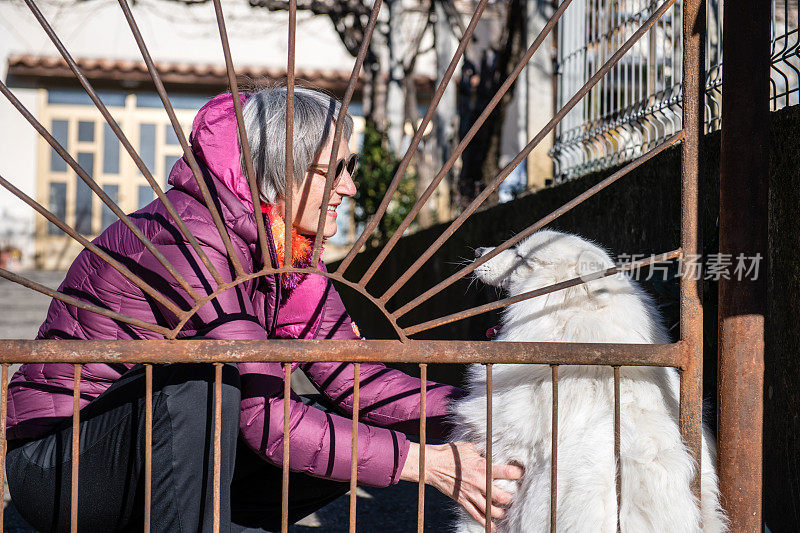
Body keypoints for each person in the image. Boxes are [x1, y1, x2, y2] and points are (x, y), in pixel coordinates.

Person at [5, 87, 522, 532]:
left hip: (148, 466)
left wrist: (486, 409)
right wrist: (420, 464)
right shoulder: (191, 236)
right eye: (332, 170)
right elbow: (263, 417)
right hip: (61, 469)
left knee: (335, 424)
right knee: (203, 379)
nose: (349, 187)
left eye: (350, 167)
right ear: (282, 172)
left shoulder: (288, 255)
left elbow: (356, 378)